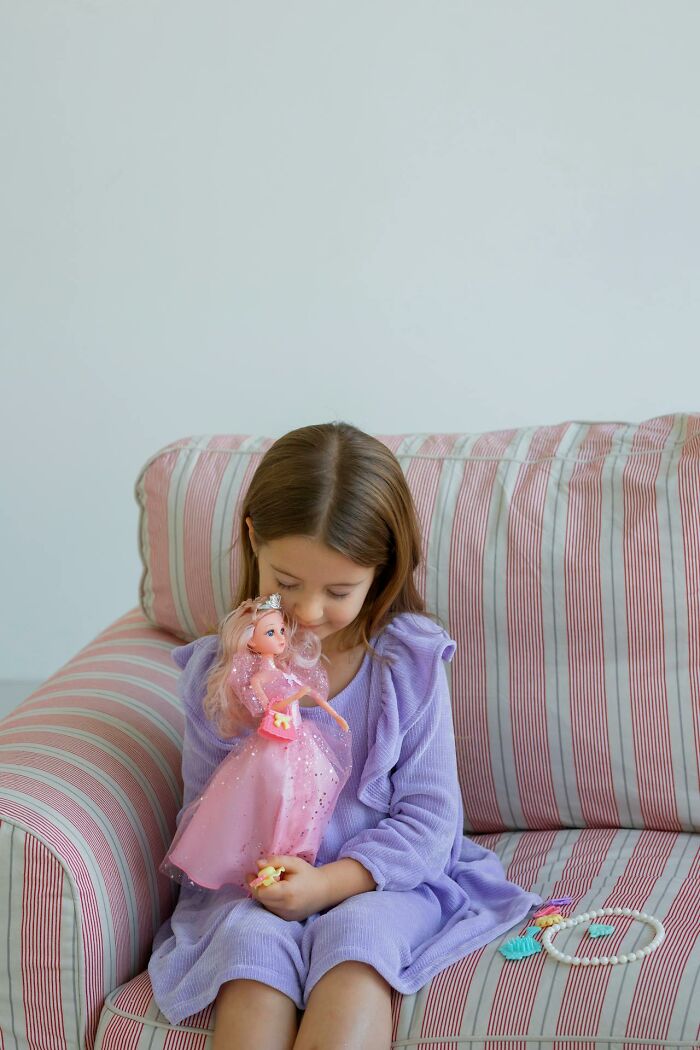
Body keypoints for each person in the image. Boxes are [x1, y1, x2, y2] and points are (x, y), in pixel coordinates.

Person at [148, 421, 543, 1050]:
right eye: (286, 583)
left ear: (380, 572)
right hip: (255, 888)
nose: (307, 612)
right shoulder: (222, 676)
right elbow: (208, 818)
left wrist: (329, 886)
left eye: (338, 591)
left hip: (385, 882)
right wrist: (275, 882)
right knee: (250, 955)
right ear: (253, 540)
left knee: (357, 948)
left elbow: (431, 820)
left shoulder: (406, 666)